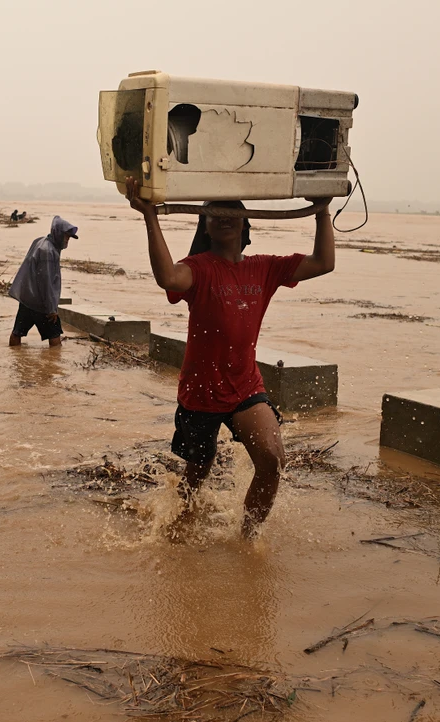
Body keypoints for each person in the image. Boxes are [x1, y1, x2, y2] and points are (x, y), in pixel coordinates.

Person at [125, 178, 335, 538]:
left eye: (232, 212)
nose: (224, 217)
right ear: (205, 227)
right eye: (215, 213)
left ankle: (247, 540)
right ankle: (177, 527)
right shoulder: (198, 267)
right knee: (197, 472)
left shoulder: (265, 267)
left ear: (245, 224)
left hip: (245, 387)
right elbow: (168, 277)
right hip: (200, 393)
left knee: (272, 461)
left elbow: (324, 262)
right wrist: (150, 217)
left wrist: (322, 210)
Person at [8, 215, 78, 347]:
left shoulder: (40, 241)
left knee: (17, 332)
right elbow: (46, 282)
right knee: (54, 337)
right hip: (41, 303)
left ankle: (14, 357)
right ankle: (54, 361)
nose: (67, 240)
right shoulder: (48, 252)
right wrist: (52, 309)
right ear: (58, 234)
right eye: (66, 237)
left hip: (27, 299)